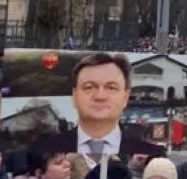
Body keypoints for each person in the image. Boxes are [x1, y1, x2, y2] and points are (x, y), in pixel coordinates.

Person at [30, 52, 164, 158]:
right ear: (75, 96)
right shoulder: (43, 149)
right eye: (89, 87)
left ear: (125, 97)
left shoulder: (154, 154)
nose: (100, 96)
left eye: (111, 88)